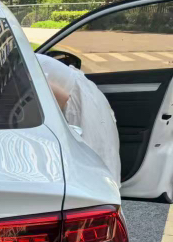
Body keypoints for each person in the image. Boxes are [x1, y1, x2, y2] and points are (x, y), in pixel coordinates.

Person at [36, 54, 121, 185]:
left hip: (79, 101)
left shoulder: (20, 71)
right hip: (82, 95)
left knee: (90, 160)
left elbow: (60, 98)